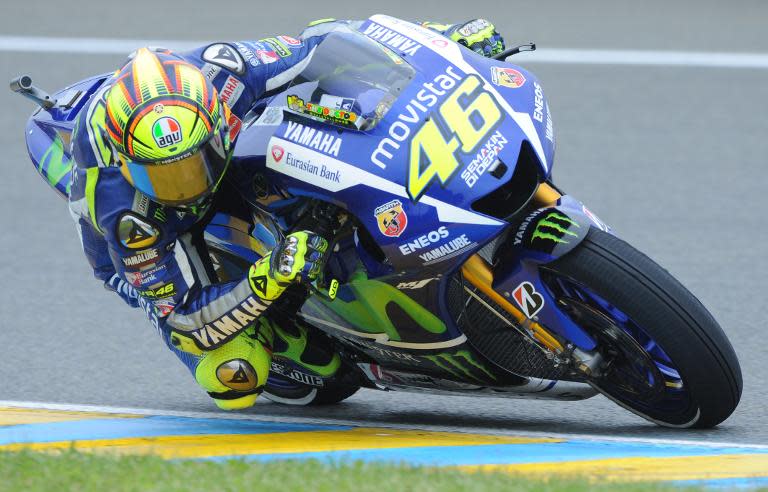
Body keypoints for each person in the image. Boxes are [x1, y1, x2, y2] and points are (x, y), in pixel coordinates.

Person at [67, 18, 505, 410]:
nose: (188, 186)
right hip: (151, 251)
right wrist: (266, 280)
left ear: (217, 118)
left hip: (235, 157)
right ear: (128, 164)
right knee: (234, 378)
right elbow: (183, 318)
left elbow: (327, 39)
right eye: (166, 176)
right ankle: (279, 332)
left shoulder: (227, 73)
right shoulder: (125, 214)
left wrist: (445, 43)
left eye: (194, 163)